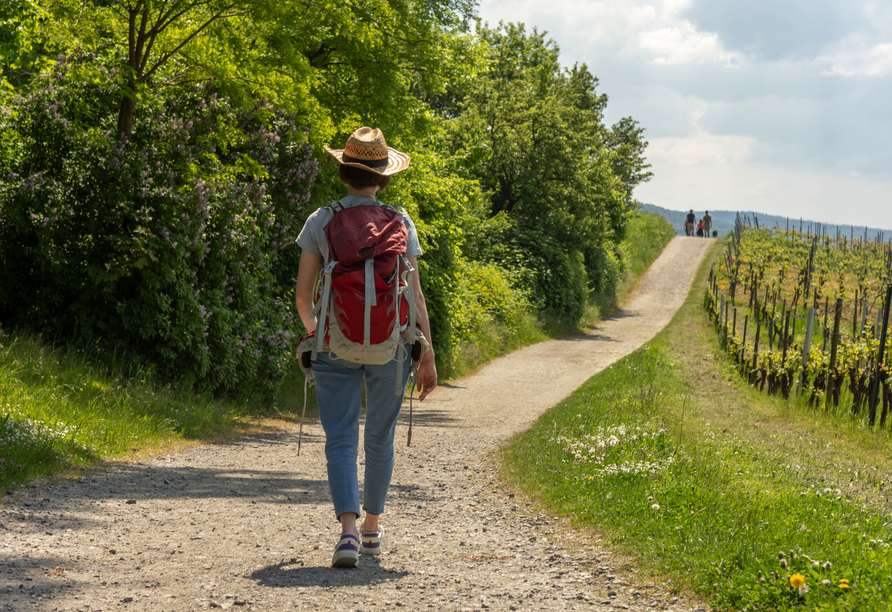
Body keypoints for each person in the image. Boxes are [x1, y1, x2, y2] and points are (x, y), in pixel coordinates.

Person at [295, 127, 438, 568]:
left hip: (333, 343)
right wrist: (428, 352)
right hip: (391, 345)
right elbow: (414, 295)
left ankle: (348, 535)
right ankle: (373, 531)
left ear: (343, 173)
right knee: (379, 438)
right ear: (383, 176)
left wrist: (321, 332)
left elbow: (303, 296)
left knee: (340, 440)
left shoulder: (322, 219)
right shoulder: (401, 221)